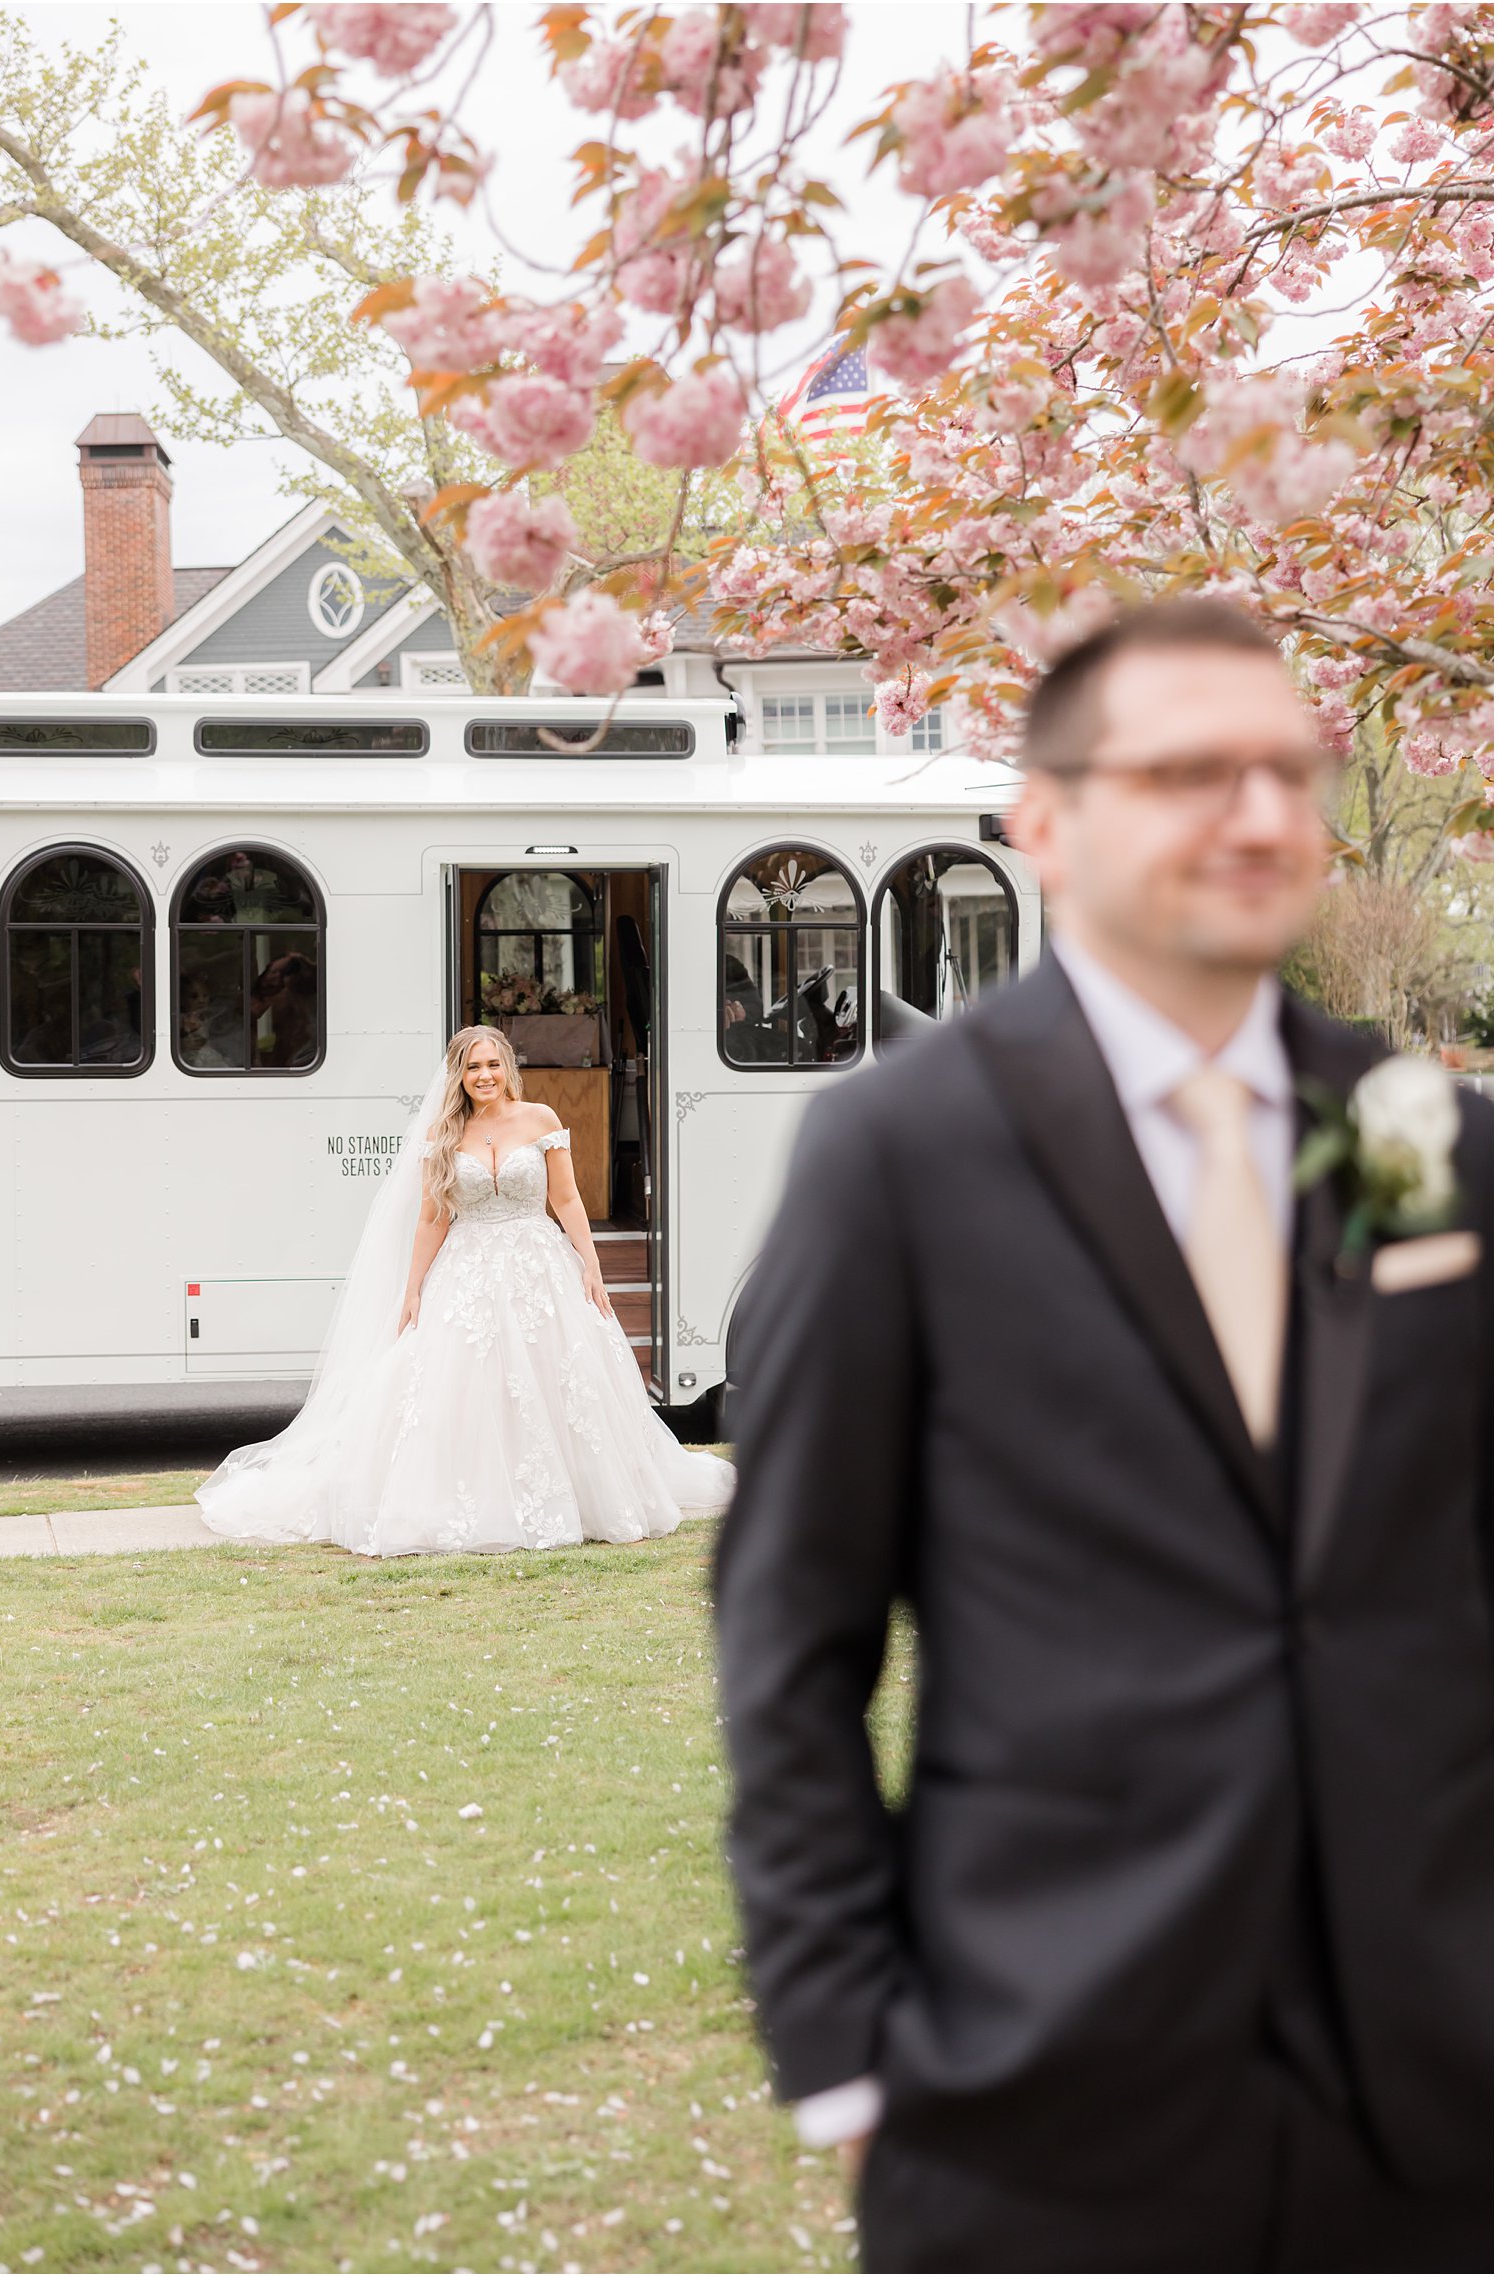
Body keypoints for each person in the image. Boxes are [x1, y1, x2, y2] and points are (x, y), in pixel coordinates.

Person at [715, 600, 1491, 2274]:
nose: (1267, 814)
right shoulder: (898, 1153)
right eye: (1195, 770)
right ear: (1044, 825)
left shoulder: (1411, 1131)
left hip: (1430, 2099)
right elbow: (791, 1635)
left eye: (1292, 768)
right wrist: (845, 2050)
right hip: (1038, 2087)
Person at [198, 1024, 733, 1554]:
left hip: (539, 1265)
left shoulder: (540, 1119)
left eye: (492, 1064)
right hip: (467, 1268)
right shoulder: (444, 1135)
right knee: (465, 1382)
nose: (484, 1075)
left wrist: (591, 1267)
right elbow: (432, 1220)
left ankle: (576, 1495)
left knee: (556, 1378)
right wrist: (413, 1290)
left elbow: (567, 1201)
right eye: (473, 1067)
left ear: (508, 1068)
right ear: (458, 1074)